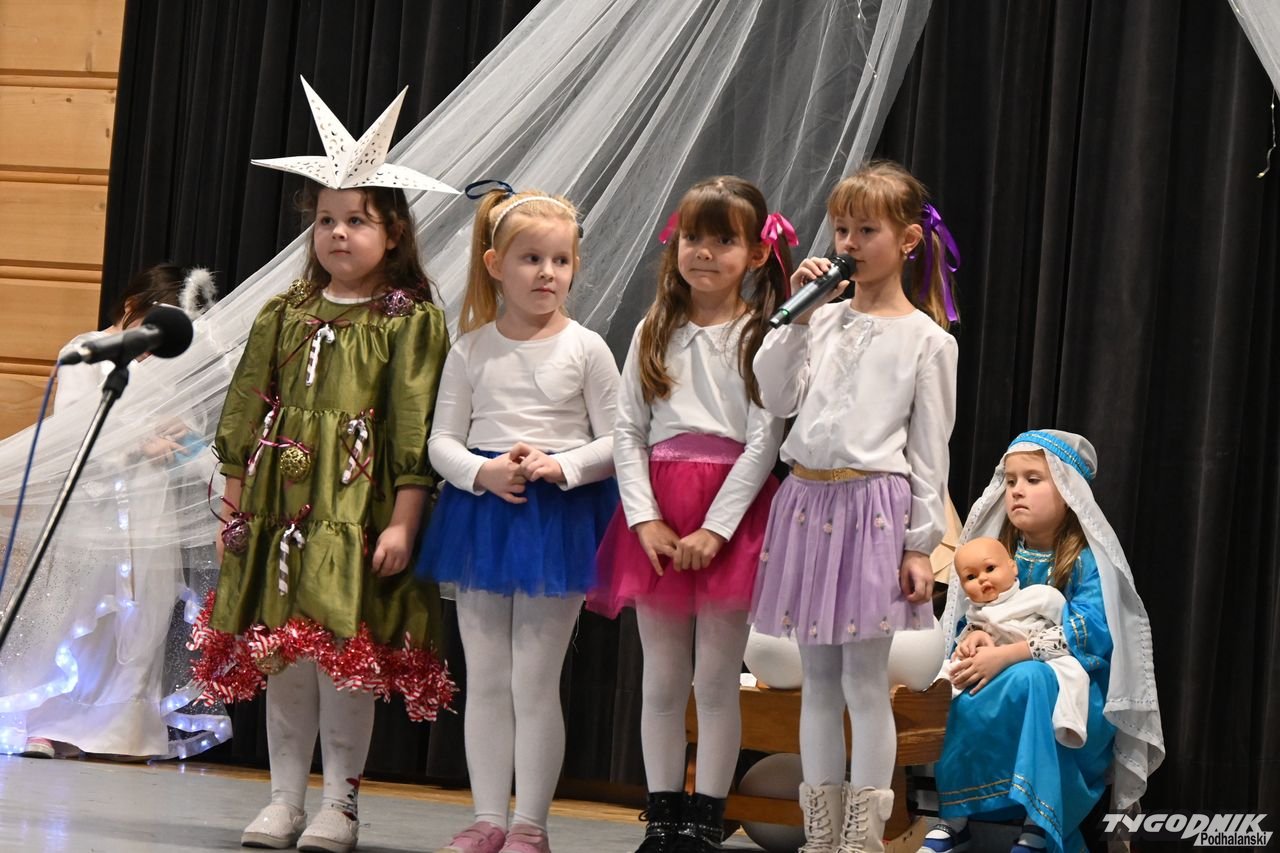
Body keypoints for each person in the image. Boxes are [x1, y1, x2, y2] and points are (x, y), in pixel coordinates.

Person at [189, 79, 457, 853]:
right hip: (279, 514)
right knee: (283, 657)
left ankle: (340, 802)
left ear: (394, 232)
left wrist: (403, 522)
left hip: (355, 514)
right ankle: (283, 799)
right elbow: (245, 413)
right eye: (327, 220)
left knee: (345, 660)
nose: (339, 234)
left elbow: (415, 431)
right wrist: (236, 507)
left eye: (357, 220)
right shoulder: (284, 314)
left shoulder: (409, 322)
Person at [749, 160, 960, 853]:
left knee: (864, 680)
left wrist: (919, 543)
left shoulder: (928, 340)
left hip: (873, 508)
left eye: (866, 230)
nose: (848, 243)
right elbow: (774, 395)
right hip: (806, 498)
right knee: (817, 678)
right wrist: (796, 319)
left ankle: (862, 837)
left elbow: (929, 450)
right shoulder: (823, 320)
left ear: (906, 240)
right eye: (841, 229)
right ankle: (820, 829)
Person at [417, 183, 619, 853]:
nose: (547, 273)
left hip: (555, 521)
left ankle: (530, 823)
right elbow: (442, 441)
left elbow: (619, 440)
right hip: (484, 516)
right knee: (486, 679)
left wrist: (561, 465)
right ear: (495, 264)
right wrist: (482, 473)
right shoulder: (471, 348)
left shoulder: (587, 348)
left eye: (560, 260)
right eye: (531, 259)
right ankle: (487, 818)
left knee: (534, 681)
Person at [588, 175, 788, 853]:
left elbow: (764, 440)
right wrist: (643, 518)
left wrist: (717, 528)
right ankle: (663, 815)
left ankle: (705, 818)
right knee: (663, 677)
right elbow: (627, 431)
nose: (704, 252)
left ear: (755, 254)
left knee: (717, 679)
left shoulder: (763, 335)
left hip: (730, 513)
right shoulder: (656, 328)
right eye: (694, 237)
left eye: (723, 240)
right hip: (660, 512)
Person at [0, 264, 226, 761]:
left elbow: (194, 442)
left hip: (150, 510)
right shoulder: (87, 352)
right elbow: (69, 434)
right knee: (75, 612)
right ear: (130, 308)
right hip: (96, 506)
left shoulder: (171, 366)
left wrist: (182, 438)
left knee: (141, 616)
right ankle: (47, 723)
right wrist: (136, 445)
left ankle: (120, 731)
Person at [921, 431, 1164, 853]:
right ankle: (956, 816)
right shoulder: (994, 554)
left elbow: (1090, 632)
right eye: (1011, 481)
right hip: (1005, 673)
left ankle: (1039, 822)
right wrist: (974, 640)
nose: (1017, 491)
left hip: (1076, 695)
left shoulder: (1085, 560)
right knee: (958, 683)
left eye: (1033, 480)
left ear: (1067, 491)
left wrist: (1008, 655)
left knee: (1030, 678)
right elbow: (972, 616)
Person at [940, 537, 1090, 750]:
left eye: (990, 568)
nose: (982, 579)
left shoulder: (1040, 596)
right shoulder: (975, 612)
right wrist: (971, 640)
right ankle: (933, 702)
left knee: (1073, 670)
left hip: (1039, 657)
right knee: (950, 667)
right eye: (971, 577)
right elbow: (970, 637)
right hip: (991, 661)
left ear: (1013, 567)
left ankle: (1069, 722)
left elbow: (1068, 633)